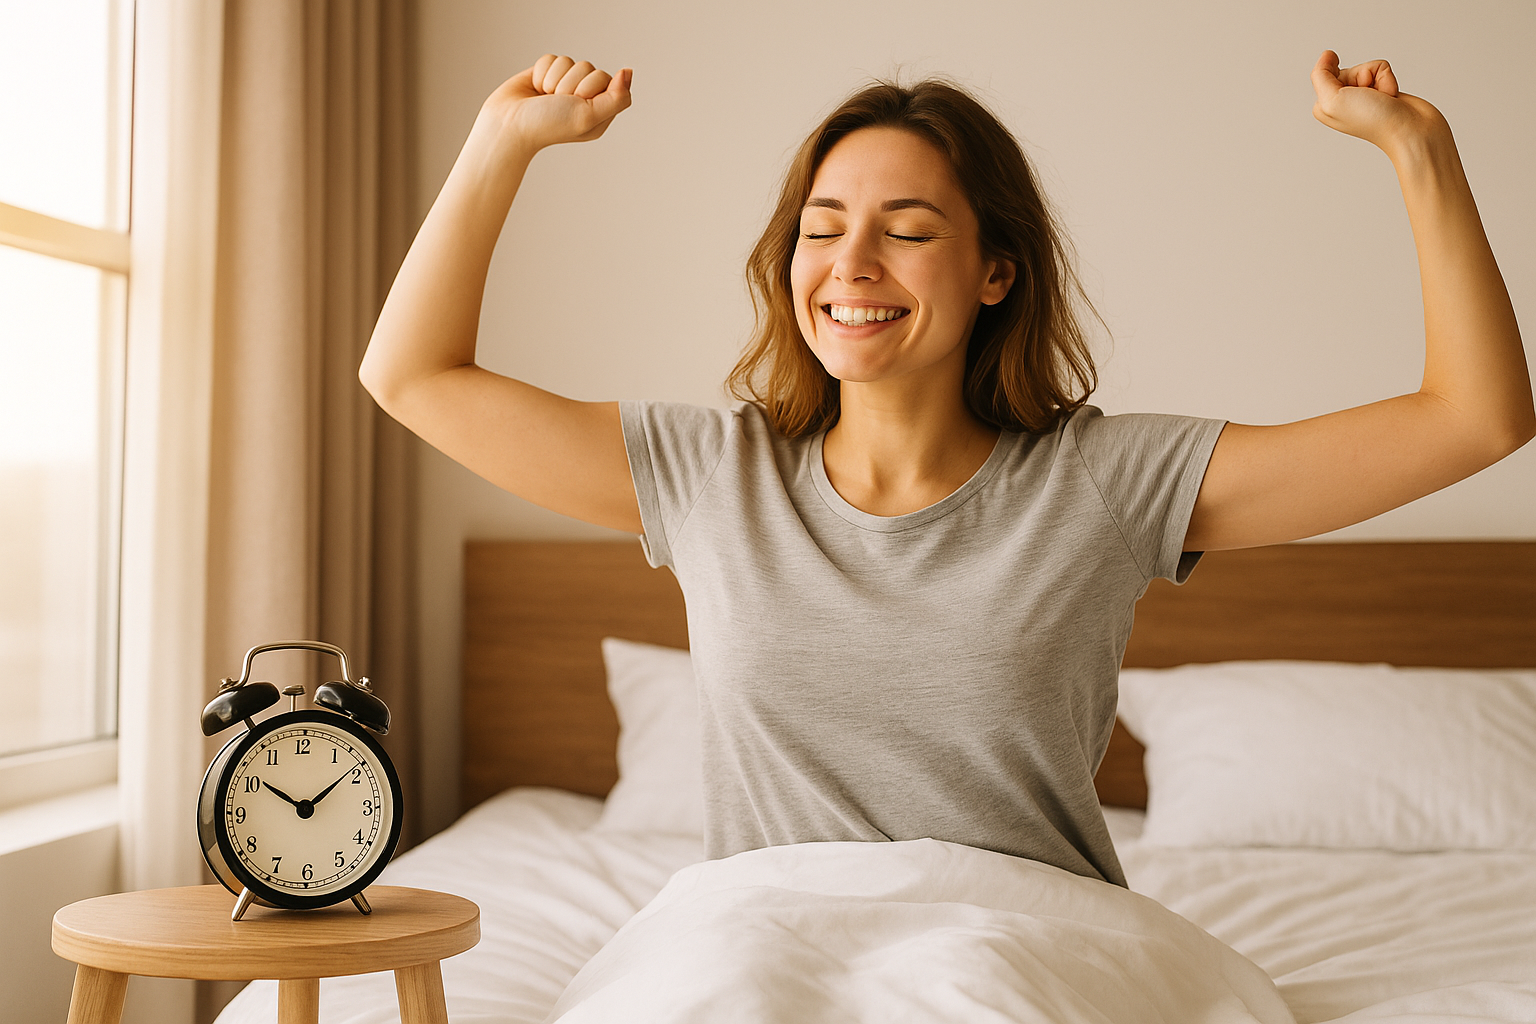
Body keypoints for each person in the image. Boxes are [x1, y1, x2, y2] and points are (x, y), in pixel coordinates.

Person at [360, 53, 1533, 887]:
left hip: (1016, 946)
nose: (851, 262)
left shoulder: (1108, 482)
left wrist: (1421, 157)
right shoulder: (710, 473)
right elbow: (410, 375)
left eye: (908, 229)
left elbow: (1475, 419)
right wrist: (499, 144)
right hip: (765, 950)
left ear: (995, 272)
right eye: (821, 227)